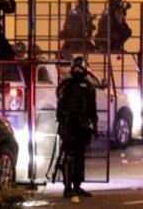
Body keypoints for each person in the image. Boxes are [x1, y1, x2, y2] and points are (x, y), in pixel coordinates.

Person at [56, 56, 98, 200]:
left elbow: (92, 109)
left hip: (80, 127)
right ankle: (69, 187)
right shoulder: (68, 85)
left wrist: (95, 125)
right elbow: (60, 107)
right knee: (70, 156)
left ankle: (75, 186)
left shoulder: (85, 86)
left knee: (77, 157)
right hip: (71, 126)